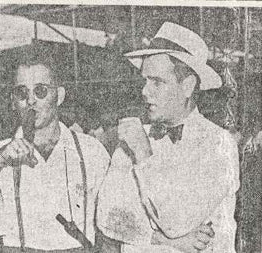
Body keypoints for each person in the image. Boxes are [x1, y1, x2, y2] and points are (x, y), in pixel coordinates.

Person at [97, 22, 239, 252]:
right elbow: (107, 218)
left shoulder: (218, 144)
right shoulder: (134, 136)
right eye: (145, 80)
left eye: (157, 82)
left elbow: (177, 221)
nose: (145, 91)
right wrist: (165, 241)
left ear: (188, 86)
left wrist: (144, 154)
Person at [0, 57, 111, 252]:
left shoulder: (92, 151)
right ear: (13, 101)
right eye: (22, 93)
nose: (31, 100)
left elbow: (113, 224)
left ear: (59, 96)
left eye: (40, 91)